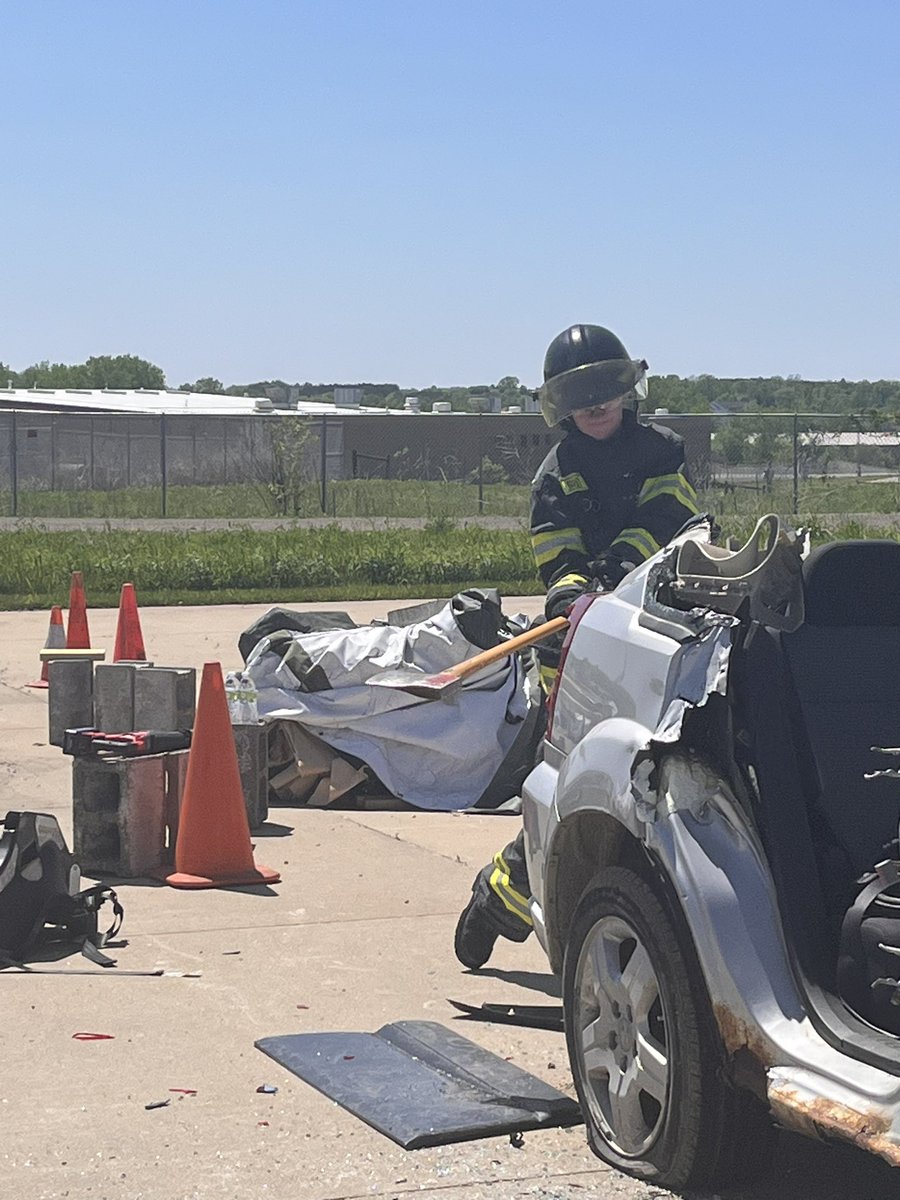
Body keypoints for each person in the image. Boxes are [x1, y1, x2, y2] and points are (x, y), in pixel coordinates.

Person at [454, 323, 700, 969]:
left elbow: (667, 517)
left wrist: (620, 563)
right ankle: (501, 895)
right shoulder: (557, 473)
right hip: (579, 645)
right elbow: (554, 547)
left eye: (605, 389)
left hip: (655, 630)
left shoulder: (662, 449)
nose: (594, 406)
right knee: (573, 787)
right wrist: (569, 591)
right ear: (559, 404)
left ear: (627, 388)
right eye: (579, 394)